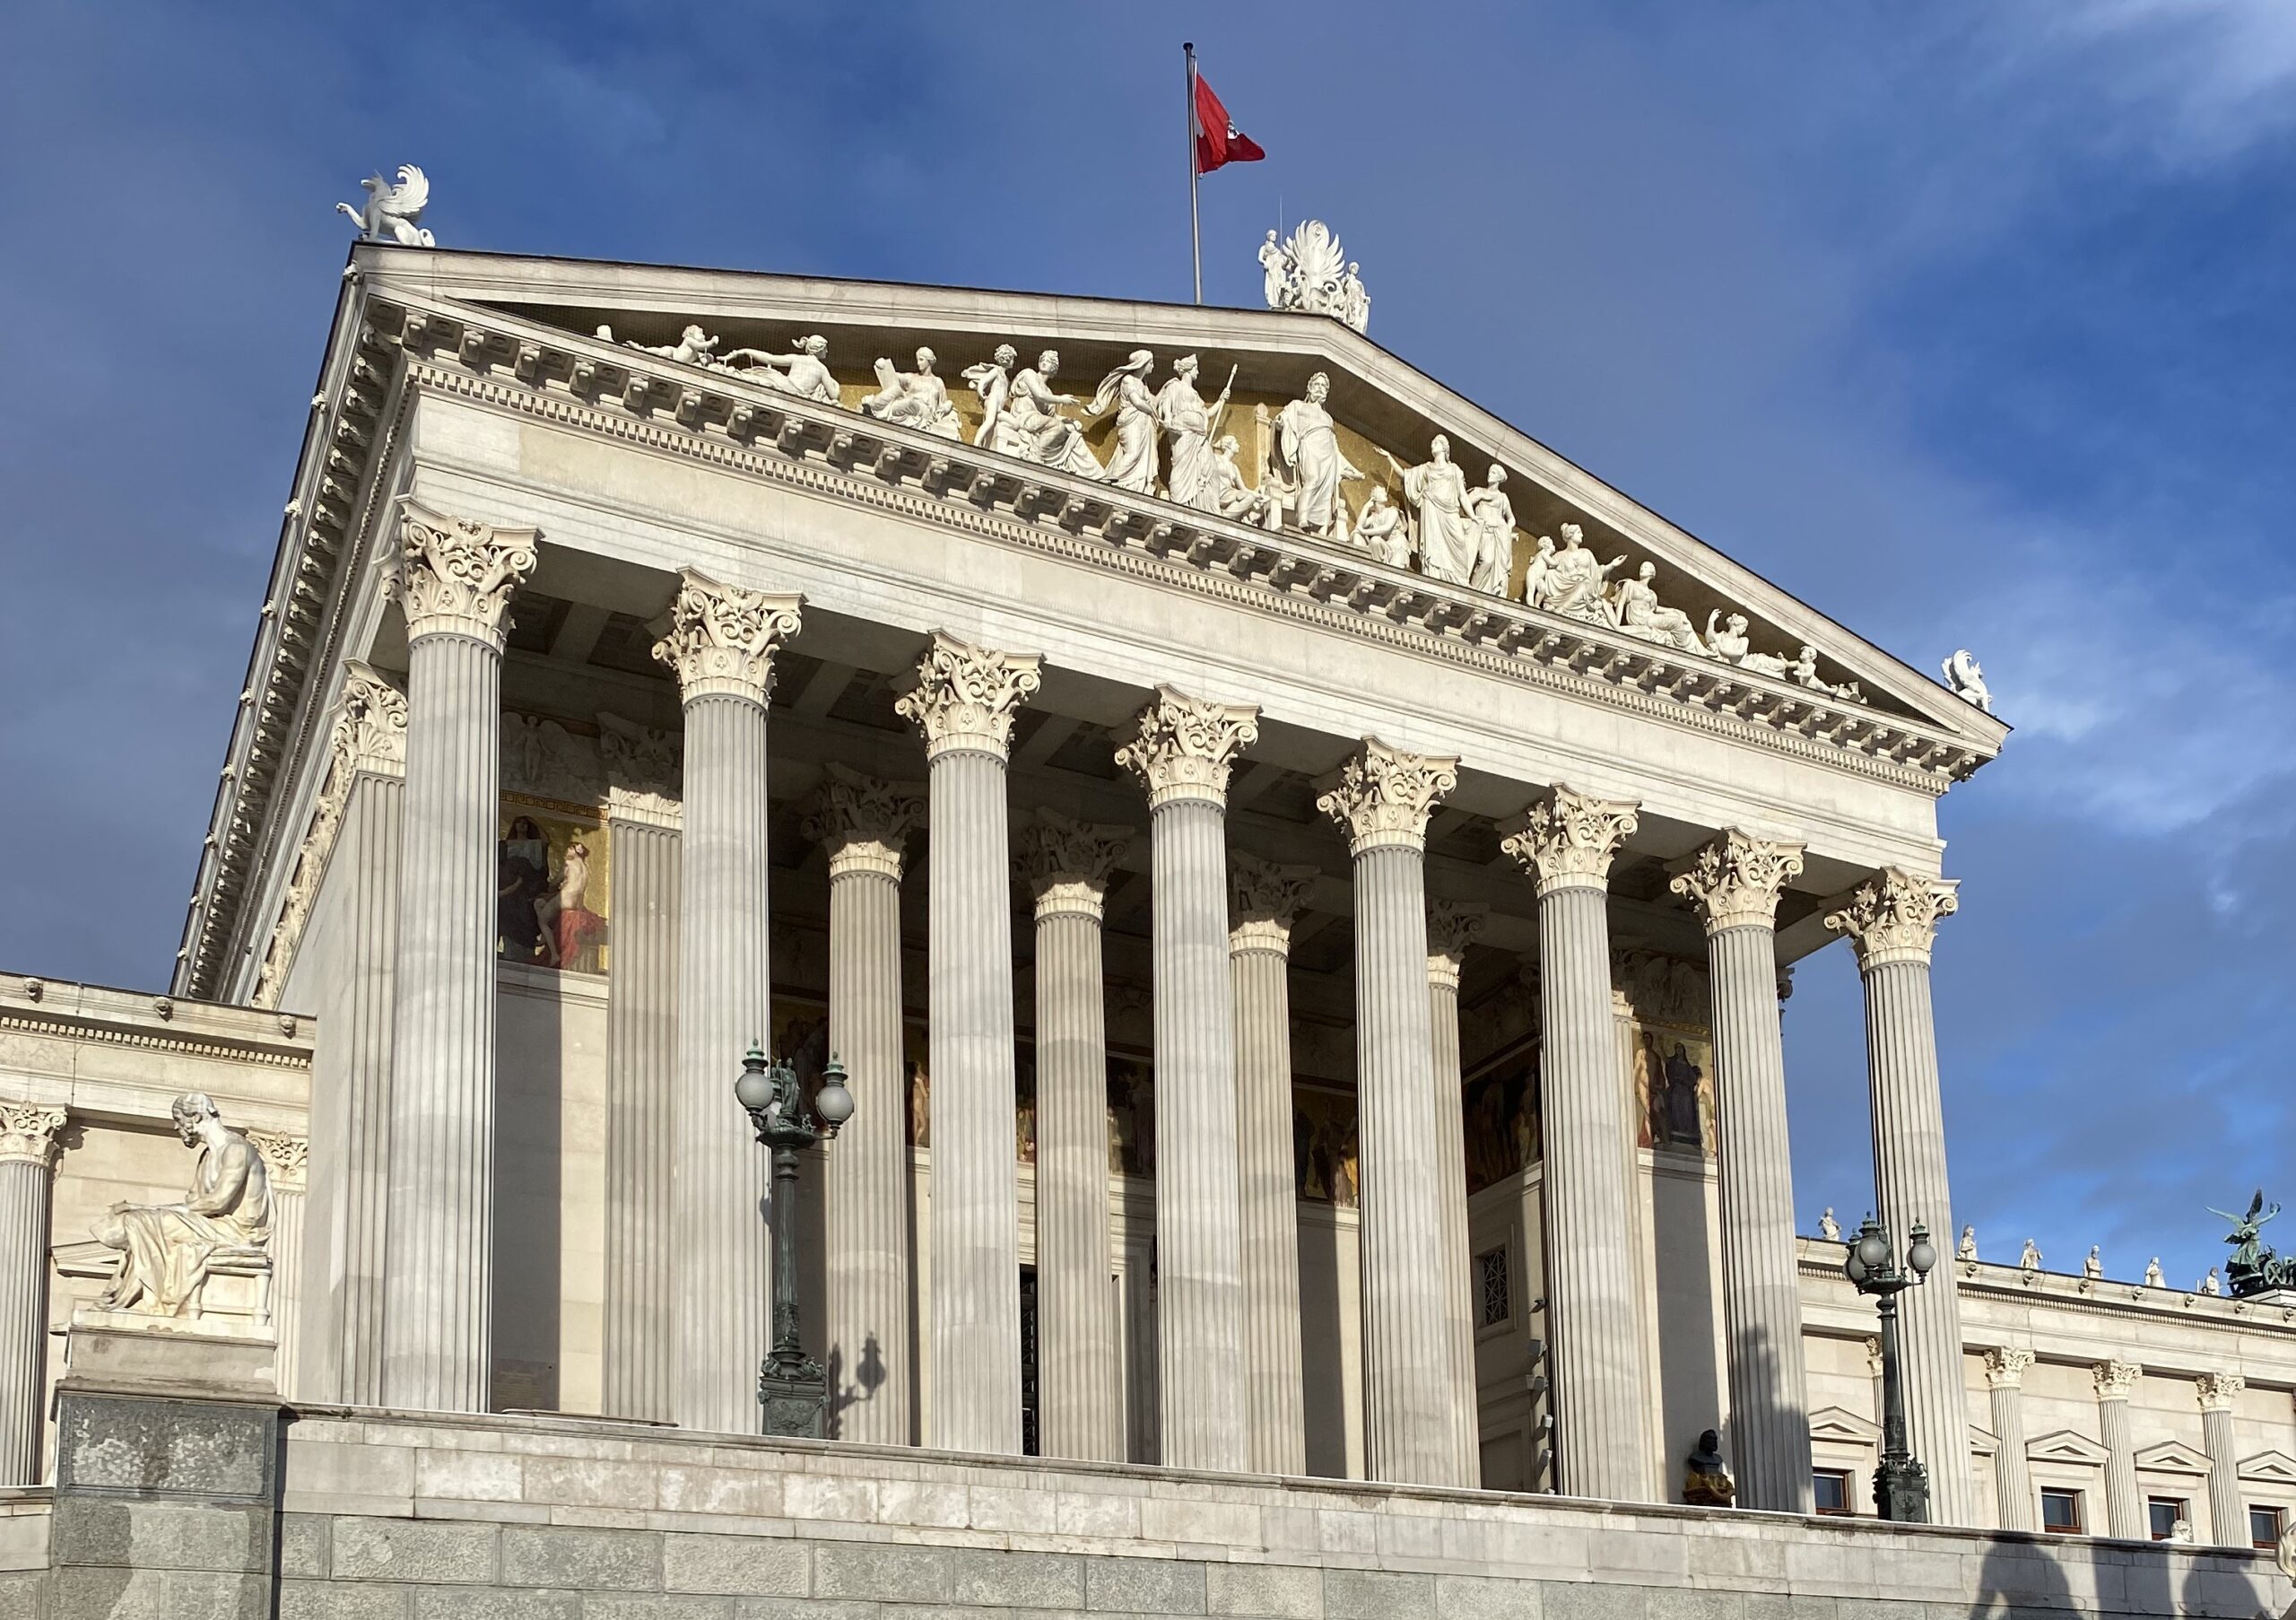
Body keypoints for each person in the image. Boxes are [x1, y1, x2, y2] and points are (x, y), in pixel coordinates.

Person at [92, 1093, 272, 1316]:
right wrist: (147, 1208)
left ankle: (124, 1300)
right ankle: (124, 1298)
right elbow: (193, 1205)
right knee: (140, 1221)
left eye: (178, 1120)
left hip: (235, 1231)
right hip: (208, 1224)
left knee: (140, 1221)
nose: (176, 1127)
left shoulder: (237, 1149)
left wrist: (152, 1211)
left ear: (196, 1116)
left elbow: (217, 1202)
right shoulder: (207, 1156)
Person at [1274, 372, 1362, 538]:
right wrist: (1280, 423)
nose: (1320, 389)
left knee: (1327, 491)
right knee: (1312, 479)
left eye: (1324, 386)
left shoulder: (1328, 418)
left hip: (1328, 453)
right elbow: (1285, 419)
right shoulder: (1298, 406)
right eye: (1317, 385)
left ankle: (1321, 529)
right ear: (1309, 387)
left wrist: (1351, 470)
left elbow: (1335, 447)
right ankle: (1303, 517)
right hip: (1309, 445)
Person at [1380, 435, 1475, 585]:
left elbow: (1462, 496)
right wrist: (1389, 457)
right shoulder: (1426, 469)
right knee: (1434, 547)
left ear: (1445, 447)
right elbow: (1406, 476)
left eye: (1436, 443)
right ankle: (1434, 574)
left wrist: (1473, 516)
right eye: (1432, 443)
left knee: (1460, 544)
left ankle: (1460, 580)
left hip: (1450, 512)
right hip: (1431, 509)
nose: (1432, 445)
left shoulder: (1454, 469)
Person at [1155, 355, 1227, 510]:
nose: (1198, 372)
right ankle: (1178, 503)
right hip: (1183, 434)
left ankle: (1211, 509)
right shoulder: (1175, 386)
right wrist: (1168, 418)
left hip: (1200, 438)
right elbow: (1167, 404)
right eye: (1196, 369)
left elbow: (1206, 413)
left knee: (1211, 471)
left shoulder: (1195, 394)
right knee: (1181, 469)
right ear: (1189, 369)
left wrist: (1221, 400)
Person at [1090, 350, 1160, 492]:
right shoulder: (1128, 380)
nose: (1153, 366)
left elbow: (1153, 401)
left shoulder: (1143, 385)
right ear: (1142, 363)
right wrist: (1153, 412)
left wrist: (1167, 387)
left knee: (1139, 456)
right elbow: (1137, 402)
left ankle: (1132, 485)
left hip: (1142, 424)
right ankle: (1110, 479)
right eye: (1150, 362)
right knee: (1132, 453)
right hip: (1131, 421)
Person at [724, 334, 839, 404]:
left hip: (784, 385)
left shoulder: (796, 358)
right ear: (819, 349)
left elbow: (769, 358)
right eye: (825, 349)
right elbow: (834, 395)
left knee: (757, 379)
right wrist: (836, 384)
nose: (827, 351)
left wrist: (743, 351)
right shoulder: (822, 369)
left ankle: (730, 374)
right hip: (797, 393)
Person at [1461, 465, 1517, 596]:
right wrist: (1481, 497)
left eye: (1493, 473)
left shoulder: (1503, 497)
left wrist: (1507, 530)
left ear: (1499, 478)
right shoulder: (1480, 492)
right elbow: (1466, 504)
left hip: (1499, 533)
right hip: (1484, 530)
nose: (1489, 475)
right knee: (1487, 560)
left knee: (1493, 563)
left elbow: (1512, 519)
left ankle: (1485, 590)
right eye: (1490, 472)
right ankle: (1473, 589)